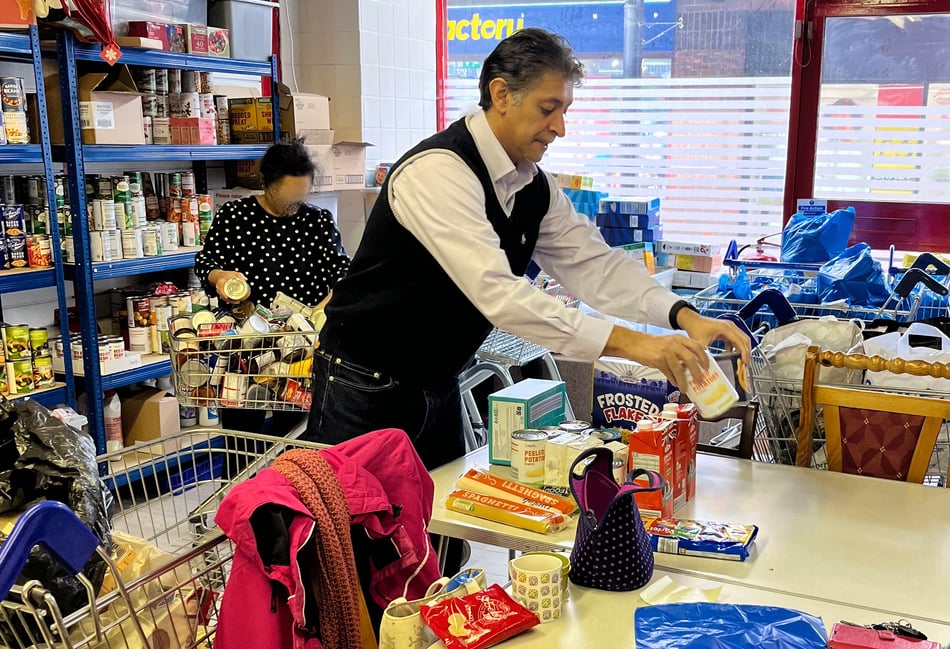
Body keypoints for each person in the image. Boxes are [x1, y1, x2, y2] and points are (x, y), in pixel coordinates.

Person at [304, 27, 750, 466]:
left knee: (435, 513)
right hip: (362, 383)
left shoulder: (532, 186)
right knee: (353, 512)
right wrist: (637, 345)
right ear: (501, 94)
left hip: (438, 381)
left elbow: (595, 265)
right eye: (548, 108)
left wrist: (685, 316)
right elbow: (499, 294)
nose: (560, 128)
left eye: (564, 110)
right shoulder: (438, 171)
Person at [194, 138, 350, 436]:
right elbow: (205, 262)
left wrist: (322, 309)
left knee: (296, 439)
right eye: (287, 198)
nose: (294, 207)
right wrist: (221, 277)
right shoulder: (235, 217)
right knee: (241, 439)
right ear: (265, 183)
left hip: (301, 349)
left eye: (300, 198)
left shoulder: (317, 221)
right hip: (246, 346)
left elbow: (343, 272)